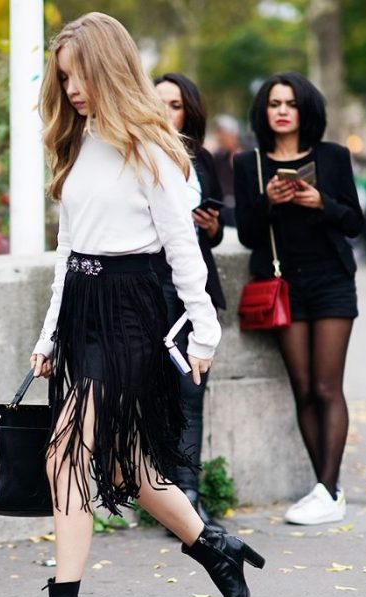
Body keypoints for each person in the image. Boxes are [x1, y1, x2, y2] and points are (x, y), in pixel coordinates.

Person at [14, 12, 265, 597]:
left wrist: (204, 336)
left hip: (134, 313)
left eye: (79, 75)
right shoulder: (77, 144)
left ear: (109, 68)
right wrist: (47, 337)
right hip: (83, 312)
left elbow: (184, 254)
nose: (69, 88)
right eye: (62, 77)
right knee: (127, 470)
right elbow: (67, 254)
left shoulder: (153, 148)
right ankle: (215, 549)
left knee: (66, 452)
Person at [234, 71, 364, 526]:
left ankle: (328, 490)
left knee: (328, 387)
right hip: (283, 285)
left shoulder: (332, 157)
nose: (283, 110)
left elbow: (354, 223)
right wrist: (268, 200)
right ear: (264, 112)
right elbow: (249, 234)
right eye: (274, 103)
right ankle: (326, 489)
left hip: (331, 281)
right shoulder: (248, 164)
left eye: (290, 102)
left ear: (305, 109)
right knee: (304, 389)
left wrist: (319, 202)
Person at [153, 73, 226, 533]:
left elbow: (210, 238)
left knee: (191, 395)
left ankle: (189, 498)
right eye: (157, 102)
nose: (165, 111)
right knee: (152, 397)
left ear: (189, 111)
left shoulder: (203, 161)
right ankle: (163, 501)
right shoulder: (137, 156)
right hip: (147, 290)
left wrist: (212, 228)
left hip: (194, 295)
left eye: (175, 104)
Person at [212, 115, 242, 227]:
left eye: (222, 133)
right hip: (222, 206)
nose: (219, 137)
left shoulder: (240, 156)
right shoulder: (218, 156)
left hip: (233, 209)